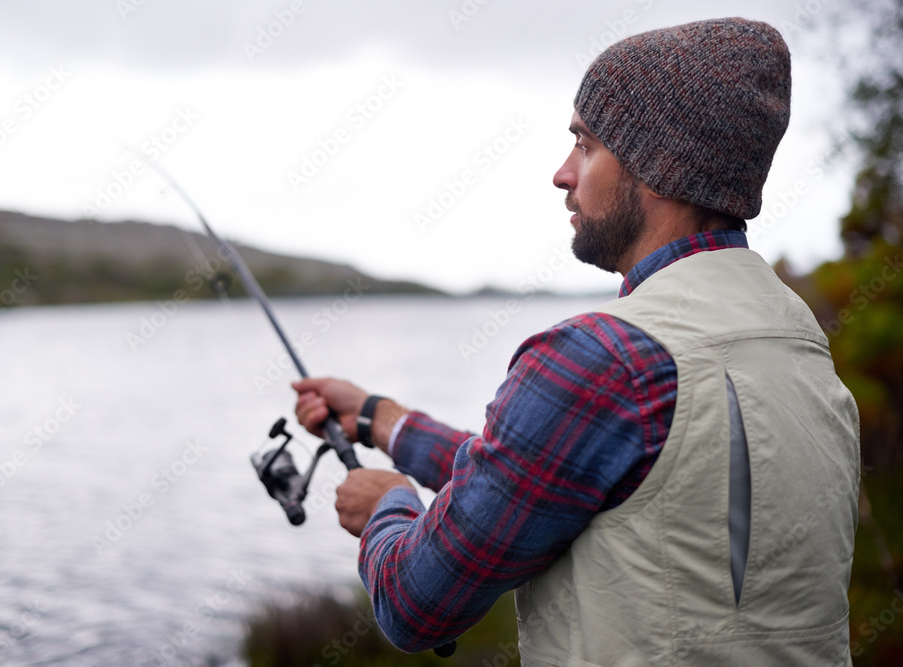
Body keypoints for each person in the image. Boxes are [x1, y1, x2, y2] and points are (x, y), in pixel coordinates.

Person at [294, 17, 860, 666]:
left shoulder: (606, 359)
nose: (562, 175)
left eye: (585, 145)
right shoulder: (796, 339)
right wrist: (383, 420)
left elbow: (416, 604)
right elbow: (560, 477)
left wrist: (389, 506)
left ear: (660, 166)